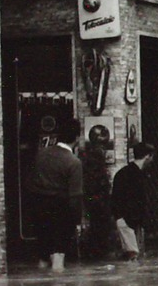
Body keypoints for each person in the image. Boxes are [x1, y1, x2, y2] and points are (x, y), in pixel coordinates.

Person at [26, 116, 85, 271]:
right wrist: (77, 221)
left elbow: (31, 183)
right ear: (77, 138)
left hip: (39, 209)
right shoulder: (73, 162)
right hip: (61, 211)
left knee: (43, 257)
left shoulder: (41, 155)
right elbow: (75, 196)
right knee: (58, 259)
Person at [111, 142, 155, 260]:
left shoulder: (123, 173)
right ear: (148, 156)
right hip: (128, 221)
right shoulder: (137, 176)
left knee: (133, 256)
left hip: (128, 221)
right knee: (133, 256)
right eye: (151, 157)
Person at [80, 123, 115, 259]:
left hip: (94, 199)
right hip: (97, 200)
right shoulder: (95, 158)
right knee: (100, 229)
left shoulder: (88, 156)